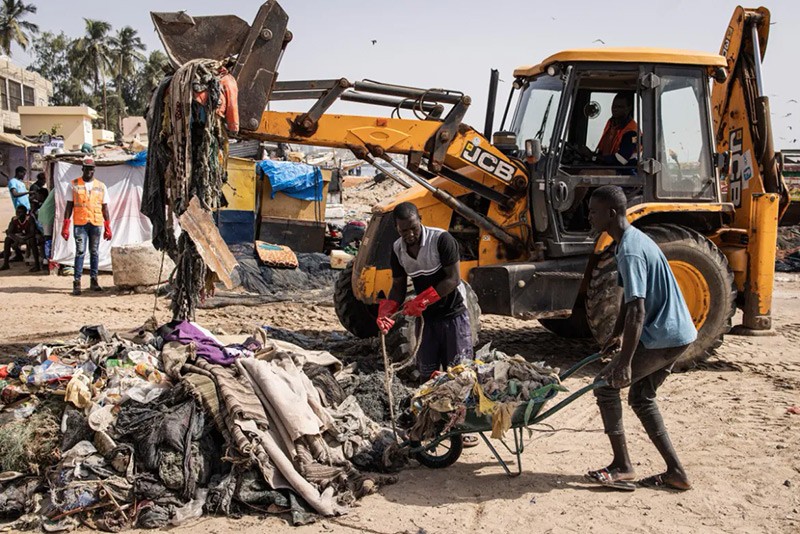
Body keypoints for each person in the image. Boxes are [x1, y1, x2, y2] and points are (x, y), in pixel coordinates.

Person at [585, 185, 697, 491]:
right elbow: (627, 302)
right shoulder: (626, 244)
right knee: (641, 397)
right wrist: (616, 335)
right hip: (676, 332)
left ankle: (622, 466)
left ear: (611, 213)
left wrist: (624, 362)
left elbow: (638, 311)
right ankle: (676, 473)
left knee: (605, 387)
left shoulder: (631, 250)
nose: (589, 216)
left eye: (594, 211)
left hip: (665, 335)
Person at [61, 157, 112, 295]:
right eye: (87, 168)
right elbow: (69, 206)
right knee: (80, 251)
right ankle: (76, 283)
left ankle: (94, 281)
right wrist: (65, 225)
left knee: (95, 252)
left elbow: (105, 208)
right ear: (82, 169)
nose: (90, 171)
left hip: (96, 223)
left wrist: (108, 226)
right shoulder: (74, 184)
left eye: (92, 168)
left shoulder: (101, 186)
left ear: (94, 169)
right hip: (80, 224)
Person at [578, 92, 638, 168]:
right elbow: (603, 151)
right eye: (614, 106)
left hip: (624, 172)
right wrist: (590, 155)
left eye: (620, 107)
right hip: (609, 168)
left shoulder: (632, 133)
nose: (615, 109)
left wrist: (593, 157)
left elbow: (622, 160)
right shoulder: (611, 124)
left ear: (629, 108)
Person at [1, 204, 39, 272]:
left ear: (25, 213)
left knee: (32, 241)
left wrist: (22, 239)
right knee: (7, 240)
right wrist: (17, 240)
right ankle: (6, 263)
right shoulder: (14, 219)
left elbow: (32, 233)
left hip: (28, 236)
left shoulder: (29, 219)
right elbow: (10, 232)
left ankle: (37, 265)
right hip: (19, 236)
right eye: (17, 212)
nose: (18, 214)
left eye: (20, 212)